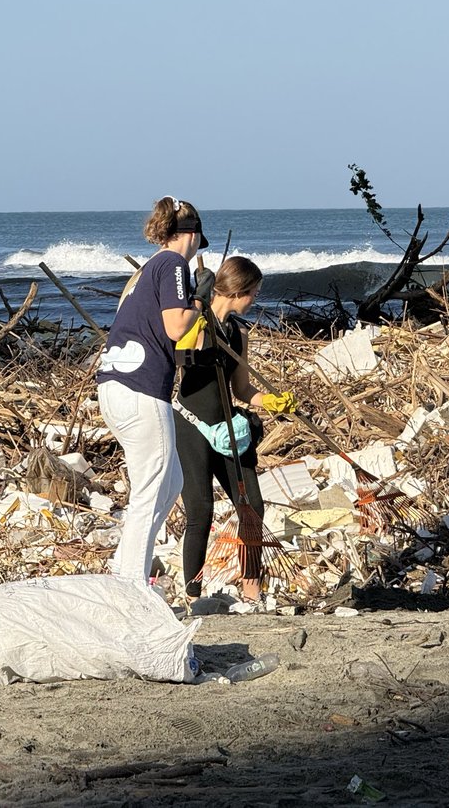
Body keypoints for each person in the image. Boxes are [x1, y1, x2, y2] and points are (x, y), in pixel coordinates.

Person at [97, 195, 212, 584]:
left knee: (171, 482)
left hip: (115, 387)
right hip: (141, 391)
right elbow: (177, 327)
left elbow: (162, 338)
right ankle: (130, 588)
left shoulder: (145, 271)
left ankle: (122, 568)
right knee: (148, 493)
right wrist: (199, 298)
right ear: (192, 235)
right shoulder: (173, 263)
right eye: (199, 240)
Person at [173, 256, 298, 604]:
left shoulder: (239, 333)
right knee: (200, 511)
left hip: (229, 429)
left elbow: (242, 389)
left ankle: (251, 585)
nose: (255, 298)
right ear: (239, 290)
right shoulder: (194, 324)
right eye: (254, 292)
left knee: (252, 506)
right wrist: (197, 317)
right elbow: (178, 354)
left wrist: (271, 402)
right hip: (191, 425)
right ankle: (193, 595)